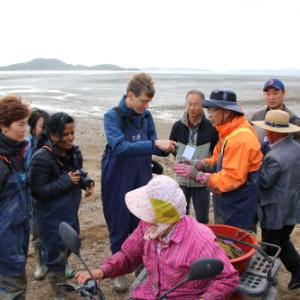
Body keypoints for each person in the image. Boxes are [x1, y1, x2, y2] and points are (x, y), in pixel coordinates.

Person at [76, 175, 239, 300]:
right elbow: (128, 256)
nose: (145, 215)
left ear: (161, 214)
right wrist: (99, 272)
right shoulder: (147, 226)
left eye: (150, 209)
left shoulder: (199, 239)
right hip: (150, 293)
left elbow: (227, 278)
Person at [101, 73, 176, 292]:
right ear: (131, 95)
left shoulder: (146, 116)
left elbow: (152, 145)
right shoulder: (112, 117)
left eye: (149, 101)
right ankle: (119, 270)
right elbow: (120, 147)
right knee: (118, 222)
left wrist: (164, 149)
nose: (147, 105)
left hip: (142, 175)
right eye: (144, 100)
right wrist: (154, 143)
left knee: (143, 222)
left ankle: (142, 265)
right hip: (117, 177)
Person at [175, 90, 263, 230]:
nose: (209, 115)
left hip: (238, 207)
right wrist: (199, 163)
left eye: (212, 110)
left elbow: (231, 178)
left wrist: (196, 175)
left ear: (226, 112)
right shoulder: (228, 131)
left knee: (235, 244)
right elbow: (217, 158)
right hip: (228, 202)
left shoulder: (241, 139)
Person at [29, 112, 94, 299]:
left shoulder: (72, 151)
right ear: (54, 135)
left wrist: (86, 182)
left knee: (67, 248)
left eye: (72, 133)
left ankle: (60, 275)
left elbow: (78, 172)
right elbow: (37, 192)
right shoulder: (40, 158)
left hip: (70, 213)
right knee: (54, 255)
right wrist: (66, 181)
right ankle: (59, 292)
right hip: (49, 218)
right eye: (66, 134)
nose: (71, 138)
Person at [252, 110, 300, 291]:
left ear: (273, 133)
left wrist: (257, 163)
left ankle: (266, 282)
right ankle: (296, 272)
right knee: (283, 240)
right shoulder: (296, 147)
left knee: (271, 246)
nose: (265, 135)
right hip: (293, 206)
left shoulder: (274, 156)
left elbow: (263, 183)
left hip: (275, 210)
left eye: (267, 132)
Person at [169, 90, 218, 223]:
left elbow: (216, 153)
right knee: (179, 217)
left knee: (202, 219)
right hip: (181, 180)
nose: (192, 107)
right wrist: (180, 161)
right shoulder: (177, 126)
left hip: (201, 180)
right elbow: (173, 148)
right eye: (189, 104)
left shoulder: (211, 127)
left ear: (202, 105)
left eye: (195, 104)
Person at [0, 95, 31, 299]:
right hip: (5, 239)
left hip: (17, 233)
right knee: (13, 287)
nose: (25, 129)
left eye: (26, 123)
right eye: (20, 124)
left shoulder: (17, 154)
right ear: (4, 127)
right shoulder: (2, 161)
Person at [25, 108, 50, 280]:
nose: (45, 129)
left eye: (47, 125)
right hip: (33, 197)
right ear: (33, 128)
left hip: (53, 194)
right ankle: (41, 262)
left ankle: (62, 261)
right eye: (42, 126)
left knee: (58, 230)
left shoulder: (54, 144)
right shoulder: (26, 146)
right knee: (37, 231)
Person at [251, 78, 300, 144]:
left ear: (283, 93)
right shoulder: (256, 117)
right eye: (268, 94)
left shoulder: (294, 121)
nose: (271, 97)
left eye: (275, 93)